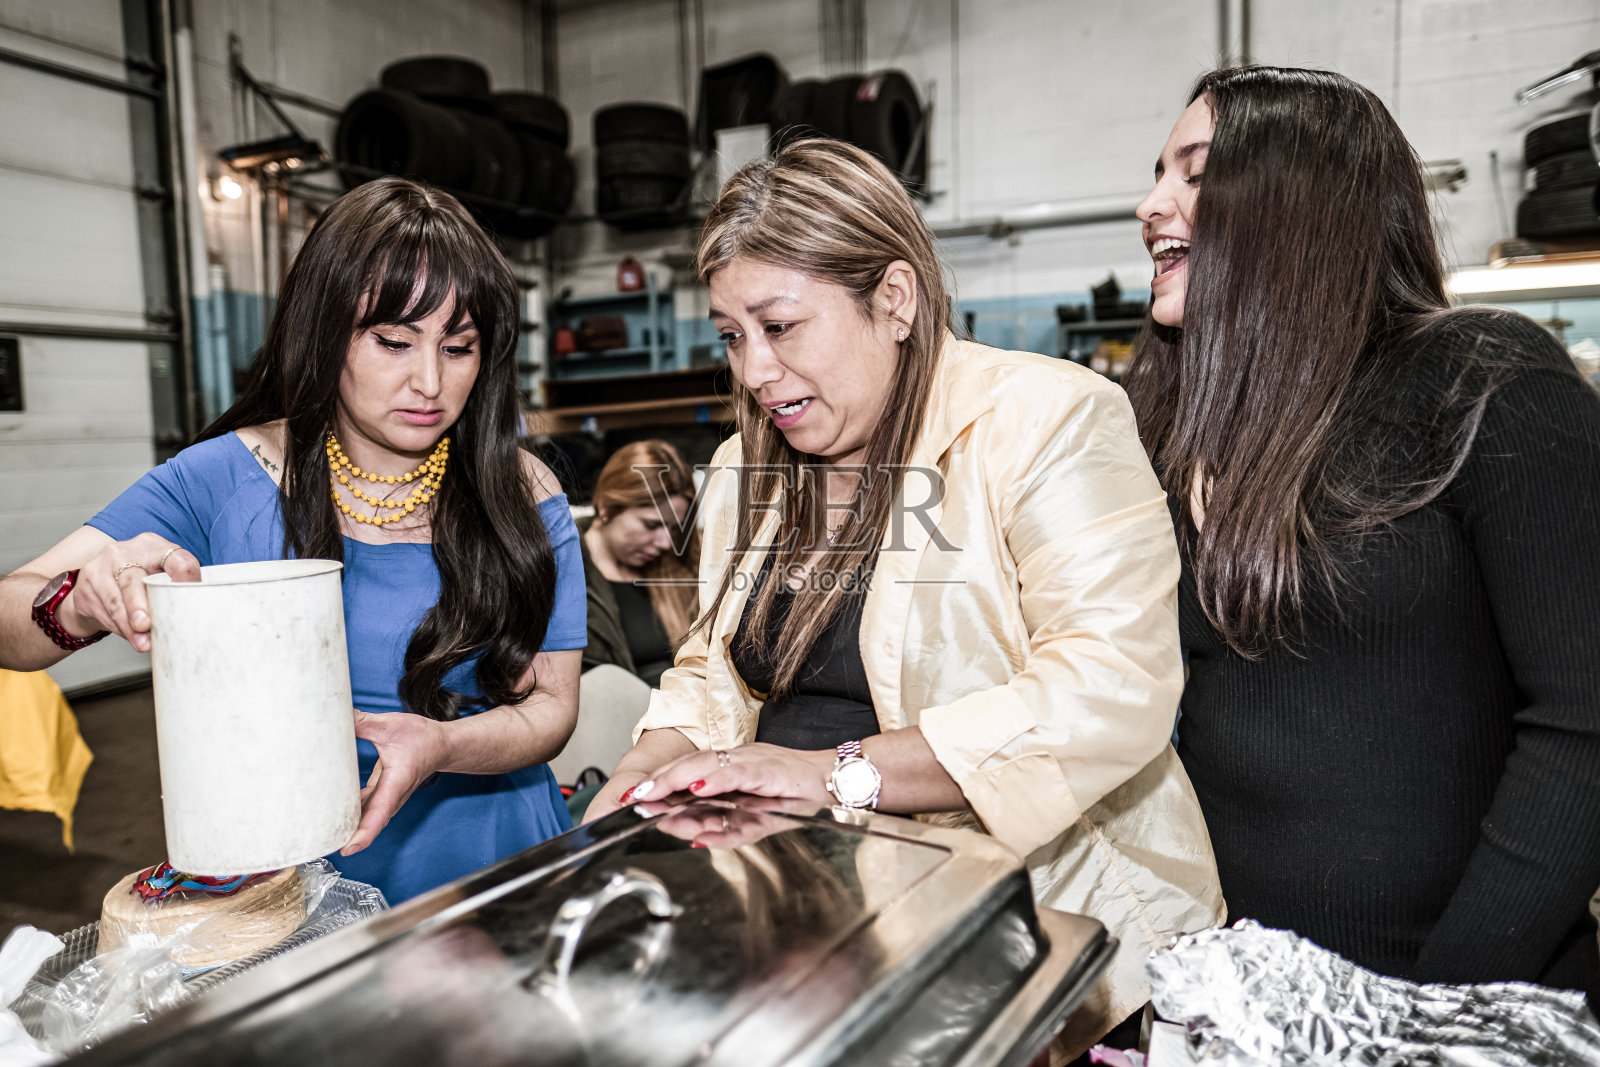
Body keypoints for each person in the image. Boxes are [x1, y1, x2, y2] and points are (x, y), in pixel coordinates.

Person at [584, 139, 1224, 1059]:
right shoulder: (742, 466)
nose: (754, 371)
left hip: (1038, 928)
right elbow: (711, 670)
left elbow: (1109, 688)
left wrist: (833, 773)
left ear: (893, 299)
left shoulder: (1043, 418)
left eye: (781, 326)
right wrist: (643, 775)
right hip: (815, 928)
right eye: (732, 336)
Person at [1124, 66, 1600, 1001]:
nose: (1150, 207)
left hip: (1455, 1006)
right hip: (1241, 1001)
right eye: (1158, 176)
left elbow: (1585, 725)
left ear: (1302, 203)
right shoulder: (1170, 428)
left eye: (1196, 173)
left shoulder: (1483, 381)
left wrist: (1429, 1011)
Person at [0, 177, 587, 905]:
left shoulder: (521, 490)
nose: (430, 381)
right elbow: (9, 615)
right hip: (290, 882)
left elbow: (552, 707)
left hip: (500, 862)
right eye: (393, 341)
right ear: (324, 329)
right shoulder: (222, 477)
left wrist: (445, 745)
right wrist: (78, 603)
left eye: (459, 347)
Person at [580, 439, 700, 688]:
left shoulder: (681, 568)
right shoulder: (561, 573)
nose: (666, 543)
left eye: (673, 528)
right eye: (652, 525)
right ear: (606, 507)